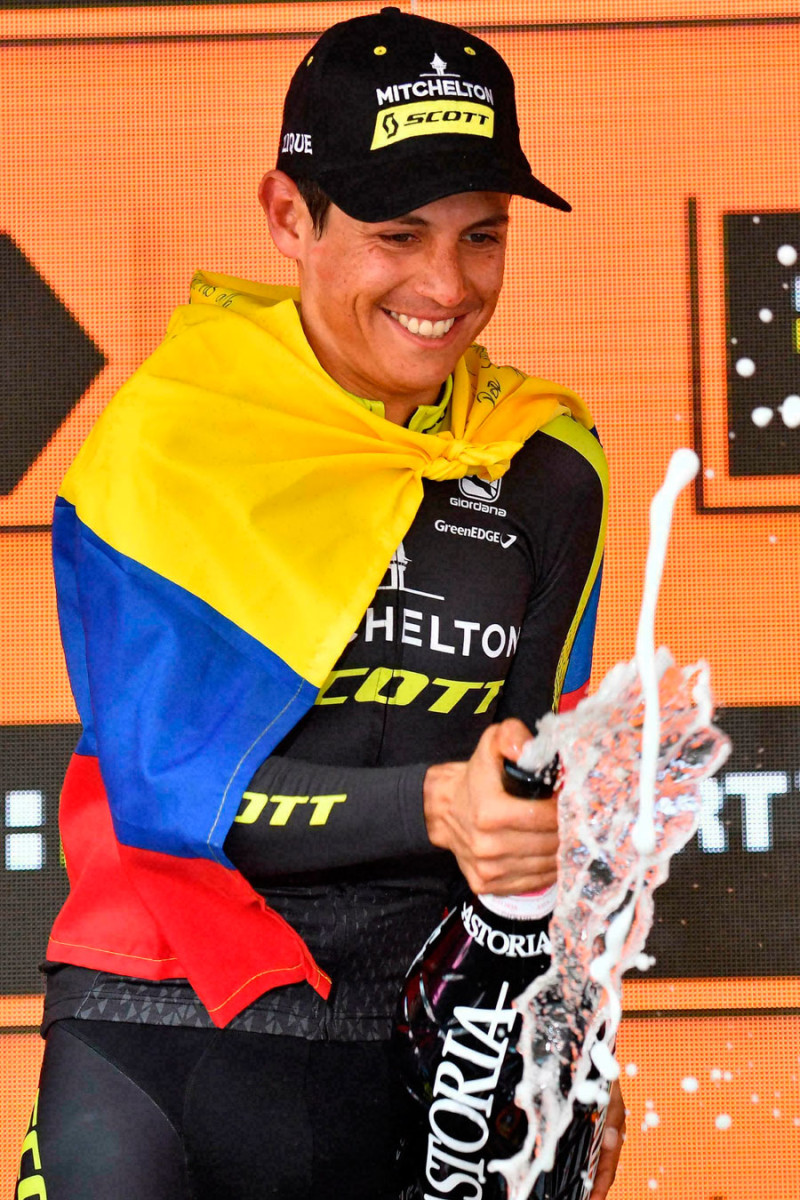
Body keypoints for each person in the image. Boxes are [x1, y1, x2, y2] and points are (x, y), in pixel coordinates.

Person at [17, 8, 623, 1199]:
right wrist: (437, 802)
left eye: (481, 238)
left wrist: (572, 1047)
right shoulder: (172, 444)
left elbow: (536, 806)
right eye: (396, 234)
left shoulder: (547, 465)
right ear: (290, 216)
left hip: (416, 1057)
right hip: (164, 1021)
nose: (443, 286)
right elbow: (170, 795)